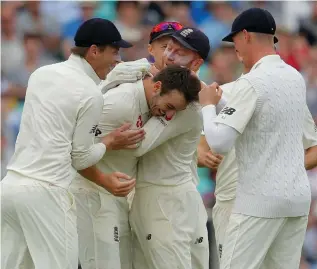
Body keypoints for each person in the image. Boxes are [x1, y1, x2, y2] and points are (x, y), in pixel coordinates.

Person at [1, 18, 143, 269]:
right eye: (114, 52)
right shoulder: (90, 95)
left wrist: (114, 77)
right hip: (47, 192)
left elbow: (70, 95)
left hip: (11, 188)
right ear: (94, 51)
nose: (117, 59)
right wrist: (109, 141)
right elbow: (81, 158)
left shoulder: (41, 74)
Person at [200, 8, 312, 269]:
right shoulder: (295, 77)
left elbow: (219, 142)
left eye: (235, 40)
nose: (235, 48)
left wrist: (208, 106)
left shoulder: (250, 83)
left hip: (258, 201)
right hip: (296, 200)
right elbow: (261, 116)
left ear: (246, 35)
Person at [71, 63, 202, 269]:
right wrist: (108, 143)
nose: (169, 116)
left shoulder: (151, 101)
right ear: (157, 87)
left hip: (116, 198)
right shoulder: (120, 103)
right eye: (169, 107)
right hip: (91, 194)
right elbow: (73, 149)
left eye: (175, 111)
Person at [129, 27, 216, 269]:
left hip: (165, 202)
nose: (170, 55)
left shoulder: (185, 102)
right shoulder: (178, 87)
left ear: (197, 62)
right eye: (169, 48)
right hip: (173, 196)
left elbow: (139, 146)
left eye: (180, 53)